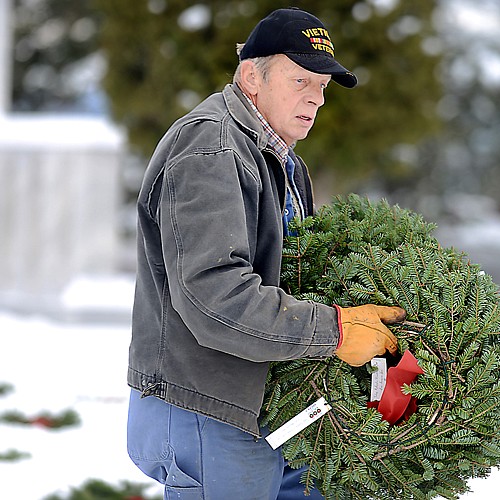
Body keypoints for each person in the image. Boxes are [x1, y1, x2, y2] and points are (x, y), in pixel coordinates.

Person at [125, 7, 406, 500]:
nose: (316, 99)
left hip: (263, 407)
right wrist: (333, 330)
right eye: (301, 80)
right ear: (251, 75)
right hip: (208, 408)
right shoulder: (211, 148)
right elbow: (213, 294)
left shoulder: (280, 160)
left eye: (322, 86)